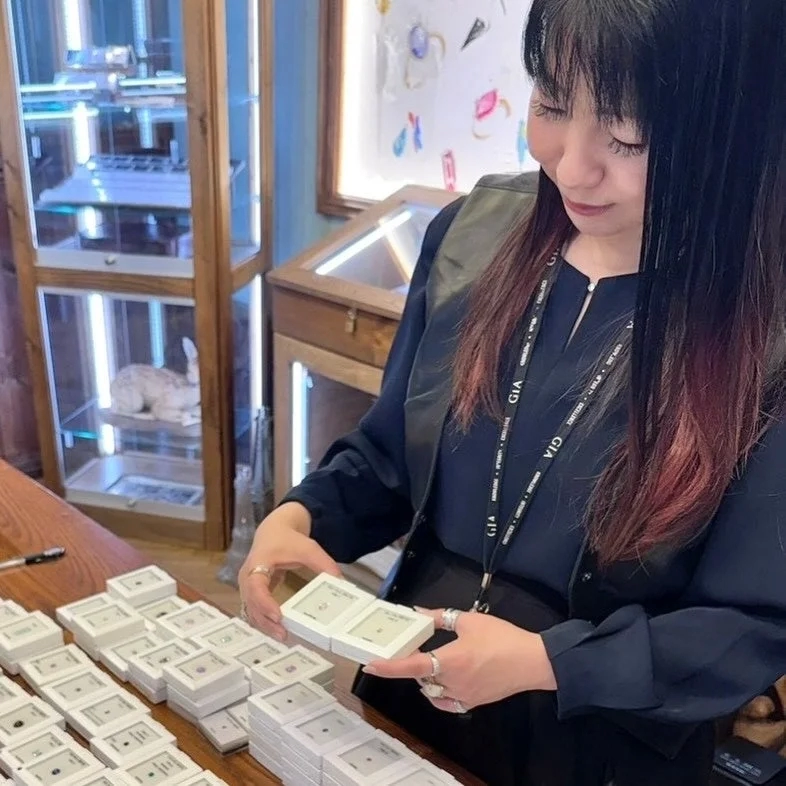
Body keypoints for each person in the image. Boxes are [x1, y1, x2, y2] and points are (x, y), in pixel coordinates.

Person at [240, 0, 786, 783]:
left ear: (732, 126)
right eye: (552, 105)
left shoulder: (764, 331)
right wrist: (300, 517)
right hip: (409, 696)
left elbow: (753, 624)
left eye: (630, 136)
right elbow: (391, 457)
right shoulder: (474, 236)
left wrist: (546, 663)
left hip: (601, 749)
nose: (572, 167)